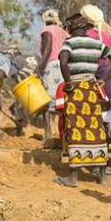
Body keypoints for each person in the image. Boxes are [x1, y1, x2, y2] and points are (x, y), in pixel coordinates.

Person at [55, 6, 111, 187]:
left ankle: (73, 177)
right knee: (96, 128)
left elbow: (63, 62)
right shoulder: (97, 44)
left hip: (76, 89)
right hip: (92, 90)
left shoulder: (69, 43)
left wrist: (68, 82)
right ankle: (102, 176)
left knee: (75, 128)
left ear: (71, 27)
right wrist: (104, 80)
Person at [35, 9, 69, 147]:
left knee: (48, 100)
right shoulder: (64, 32)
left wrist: (39, 68)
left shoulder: (47, 30)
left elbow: (48, 49)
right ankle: (64, 134)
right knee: (62, 100)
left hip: (52, 66)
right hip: (64, 66)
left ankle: (48, 133)